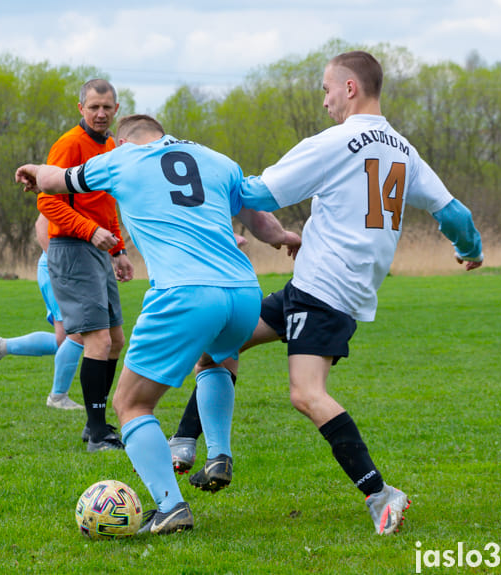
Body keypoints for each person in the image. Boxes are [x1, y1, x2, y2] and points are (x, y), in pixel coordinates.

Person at [198, 50, 480, 536]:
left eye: (327, 89)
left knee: (307, 394)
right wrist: (469, 248)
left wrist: (206, 182)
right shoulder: (402, 148)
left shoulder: (336, 141)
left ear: (350, 88)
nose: (325, 100)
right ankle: (202, 451)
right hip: (317, 286)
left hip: (325, 290)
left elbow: (261, 193)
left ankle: (379, 493)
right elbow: (454, 213)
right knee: (218, 345)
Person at [16, 114, 299, 535]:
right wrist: (287, 239)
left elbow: (58, 181)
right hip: (243, 290)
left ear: (125, 140)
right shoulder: (218, 160)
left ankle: (171, 507)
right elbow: (260, 221)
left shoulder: (122, 160)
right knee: (215, 361)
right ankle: (219, 454)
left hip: (185, 292)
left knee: (130, 405)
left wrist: (34, 173)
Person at [36, 79, 134, 452]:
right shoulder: (68, 144)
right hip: (71, 248)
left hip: (97, 249)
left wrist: (118, 249)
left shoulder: (110, 146)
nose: (100, 113)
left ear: (116, 108)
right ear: (81, 108)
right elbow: (48, 202)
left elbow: (106, 204)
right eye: (93, 107)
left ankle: (97, 423)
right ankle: (96, 432)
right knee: (97, 339)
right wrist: (89, 232)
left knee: (115, 341)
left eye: (107, 107)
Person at [0, 213, 85, 410]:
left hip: (64, 269)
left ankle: (1, 346)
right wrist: (60, 266)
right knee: (74, 336)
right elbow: (41, 224)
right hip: (57, 271)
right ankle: (58, 397)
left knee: (67, 339)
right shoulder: (63, 187)